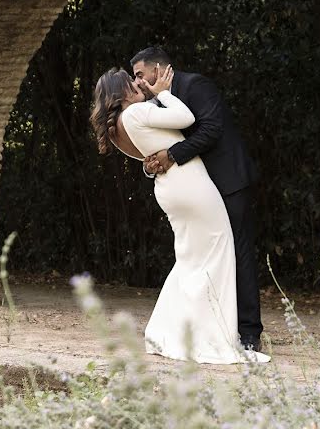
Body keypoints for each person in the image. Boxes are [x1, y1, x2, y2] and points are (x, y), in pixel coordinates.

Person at [90, 67, 269, 364]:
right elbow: (186, 119)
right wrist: (163, 94)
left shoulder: (120, 124)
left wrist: (152, 164)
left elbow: (146, 155)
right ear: (121, 92)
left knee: (191, 259)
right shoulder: (136, 113)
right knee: (219, 251)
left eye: (137, 76)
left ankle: (169, 330)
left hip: (171, 187)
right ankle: (214, 335)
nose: (137, 84)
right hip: (191, 185)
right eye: (131, 81)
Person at [130, 47, 264, 351]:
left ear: (158, 69)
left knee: (239, 253)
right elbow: (162, 144)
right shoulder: (156, 103)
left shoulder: (195, 86)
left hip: (228, 180)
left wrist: (171, 156)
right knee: (206, 257)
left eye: (140, 74)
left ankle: (250, 332)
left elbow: (212, 130)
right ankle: (216, 327)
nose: (137, 82)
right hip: (201, 190)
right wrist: (153, 163)